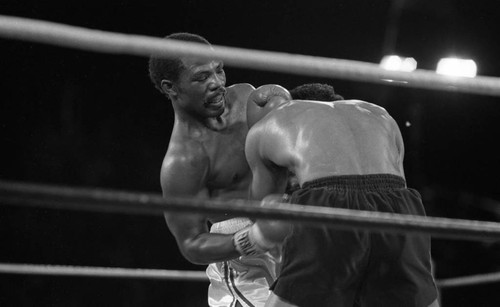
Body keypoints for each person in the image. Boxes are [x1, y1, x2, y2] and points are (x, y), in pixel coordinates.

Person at [232, 84, 440, 306]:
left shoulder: (266, 126)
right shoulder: (380, 113)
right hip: (400, 208)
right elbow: (397, 185)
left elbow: (262, 212)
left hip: (328, 207)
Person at [148, 33, 280, 307]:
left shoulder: (246, 97)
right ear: (171, 88)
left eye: (219, 70)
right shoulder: (183, 161)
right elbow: (192, 243)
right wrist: (253, 238)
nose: (218, 84)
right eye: (201, 77)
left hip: (294, 232)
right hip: (246, 264)